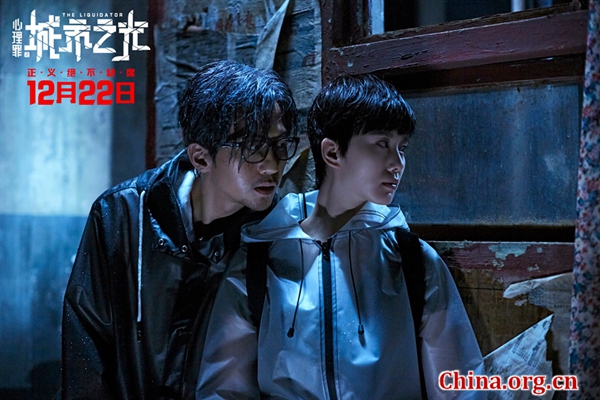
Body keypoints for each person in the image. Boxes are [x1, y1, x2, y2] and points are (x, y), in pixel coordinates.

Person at [196, 74, 485, 399]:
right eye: (382, 144)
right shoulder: (257, 262)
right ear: (332, 153)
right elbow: (224, 391)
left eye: (402, 148)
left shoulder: (412, 261)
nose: (397, 164)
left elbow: (458, 387)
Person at [61, 60, 298, 399]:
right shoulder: (122, 214)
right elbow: (86, 353)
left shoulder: (278, 231)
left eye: (280, 145)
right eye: (253, 148)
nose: (272, 165)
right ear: (201, 158)